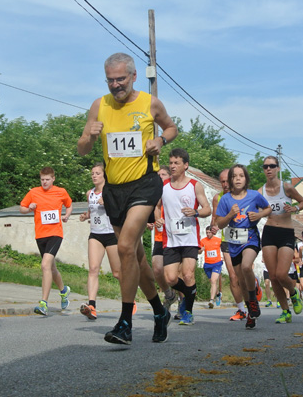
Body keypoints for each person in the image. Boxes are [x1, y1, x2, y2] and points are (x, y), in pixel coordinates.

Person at [77, 52, 177, 345]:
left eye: (121, 79)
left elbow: (171, 127)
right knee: (136, 257)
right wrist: (89, 136)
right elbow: (83, 149)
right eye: (110, 80)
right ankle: (159, 311)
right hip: (114, 190)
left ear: (133, 76)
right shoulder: (99, 105)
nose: (116, 85)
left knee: (123, 246)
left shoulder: (149, 103)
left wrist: (160, 140)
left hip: (144, 184)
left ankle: (125, 323)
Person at [157, 148, 211, 325]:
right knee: (170, 278)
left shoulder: (195, 185)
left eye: (176, 163)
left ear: (185, 165)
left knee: (188, 275)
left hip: (189, 238)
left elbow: (207, 209)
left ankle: (188, 310)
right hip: (171, 238)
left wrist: (195, 212)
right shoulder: (163, 186)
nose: (172, 166)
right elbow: (156, 206)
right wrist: (158, 218)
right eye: (171, 162)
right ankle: (187, 295)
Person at [216, 164, 271, 329]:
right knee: (240, 280)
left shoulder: (254, 196)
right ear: (230, 180)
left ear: (246, 179)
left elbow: (268, 209)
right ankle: (251, 313)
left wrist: (259, 215)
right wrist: (230, 215)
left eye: (241, 175)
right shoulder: (225, 199)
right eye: (234, 176)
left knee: (247, 267)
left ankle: (253, 301)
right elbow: (219, 224)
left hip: (250, 238)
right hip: (233, 243)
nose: (238, 179)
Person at [259, 156, 303, 324]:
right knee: (273, 276)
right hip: (269, 231)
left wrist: (294, 208)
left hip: (286, 232)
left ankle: (293, 293)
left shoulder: (286, 187)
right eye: (265, 166)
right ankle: (285, 311)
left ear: (278, 168)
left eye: (272, 166)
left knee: (281, 274)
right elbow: (256, 210)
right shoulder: (261, 191)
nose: (268, 169)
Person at [20, 167, 72, 316]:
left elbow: (69, 205)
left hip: (55, 234)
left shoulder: (61, 192)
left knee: (44, 265)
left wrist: (67, 216)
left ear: (53, 179)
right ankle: (64, 291)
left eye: (47, 179)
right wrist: (29, 208)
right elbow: (21, 208)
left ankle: (43, 303)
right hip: (40, 235)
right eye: (42, 179)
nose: (44, 182)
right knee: (51, 268)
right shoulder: (33, 192)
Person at [78, 163, 122, 320]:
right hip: (96, 234)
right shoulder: (89, 193)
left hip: (111, 234)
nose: (94, 176)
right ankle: (92, 306)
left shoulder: (111, 192)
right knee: (93, 269)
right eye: (92, 173)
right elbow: (92, 211)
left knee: (117, 273)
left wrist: (109, 204)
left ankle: (128, 300)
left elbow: (120, 211)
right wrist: (86, 216)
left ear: (104, 176)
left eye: (97, 173)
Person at [211, 169, 247, 321]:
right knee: (233, 276)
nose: (225, 184)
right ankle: (241, 309)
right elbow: (215, 218)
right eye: (222, 182)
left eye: (227, 181)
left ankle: (254, 288)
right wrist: (213, 227)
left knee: (244, 274)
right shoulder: (218, 198)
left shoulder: (244, 194)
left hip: (245, 238)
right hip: (227, 240)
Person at [151, 165, 178, 313]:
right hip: (160, 237)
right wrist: (153, 220)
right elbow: (153, 209)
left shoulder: (174, 191)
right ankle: (169, 294)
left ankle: (183, 304)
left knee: (175, 274)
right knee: (157, 268)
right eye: (158, 174)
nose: (160, 176)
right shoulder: (155, 192)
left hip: (175, 237)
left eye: (163, 174)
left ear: (169, 176)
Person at [200, 226, 223, 309]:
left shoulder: (218, 240)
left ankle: (211, 300)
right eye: (207, 233)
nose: (208, 234)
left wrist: (224, 257)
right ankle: (218, 294)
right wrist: (201, 250)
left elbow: (224, 249)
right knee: (212, 283)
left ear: (212, 232)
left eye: (209, 232)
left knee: (213, 281)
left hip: (217, 263)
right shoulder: (203, 241)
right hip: (207, 265)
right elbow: (198, 252)